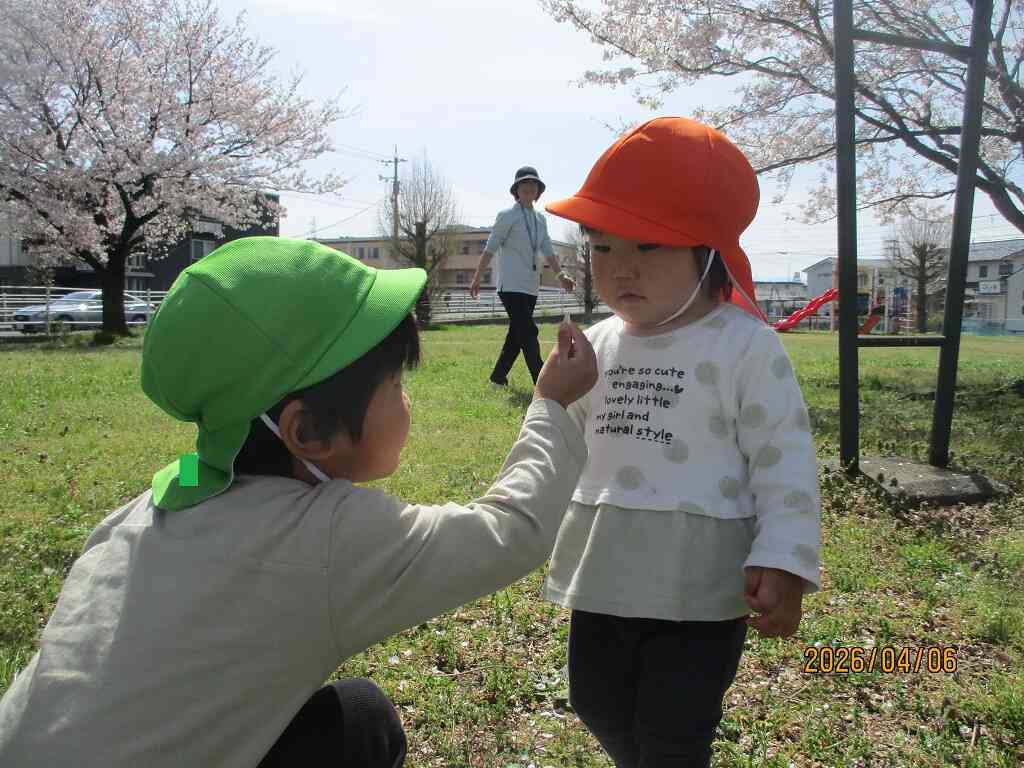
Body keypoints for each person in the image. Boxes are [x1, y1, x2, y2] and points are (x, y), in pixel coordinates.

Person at [0, 237, 598, 768]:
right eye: (396, 384)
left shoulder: (157, 501)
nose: (407, 401)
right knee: (363, 723)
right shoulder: (326, 536)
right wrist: (550, 405)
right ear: (306, 432)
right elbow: (511, 530)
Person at [541, 117, 822, 768]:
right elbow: (561, 442)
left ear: (708, 251)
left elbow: (783, 458)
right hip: (605, 571)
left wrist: (785, 558)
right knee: (595, 701)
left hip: (700, 584)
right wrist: (549, 400)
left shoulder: (744, 345)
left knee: (676, 728)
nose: (620, 268)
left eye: (648, 245)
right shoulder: (597, 344)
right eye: (602, 247)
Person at [470, 166, 576, 386]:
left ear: (538, 191)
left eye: (533, 184)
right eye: (524, 184)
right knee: (528, 331)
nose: (529, 187)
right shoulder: (507, 216)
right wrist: (477, 276)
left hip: (530, 286)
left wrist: (561, 275)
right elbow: (490, 247)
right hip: (510, 286)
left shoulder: (540, 219)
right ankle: (543, 381)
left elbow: (548, 250)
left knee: (517, 335)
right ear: (516, 190)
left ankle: (498, 377)